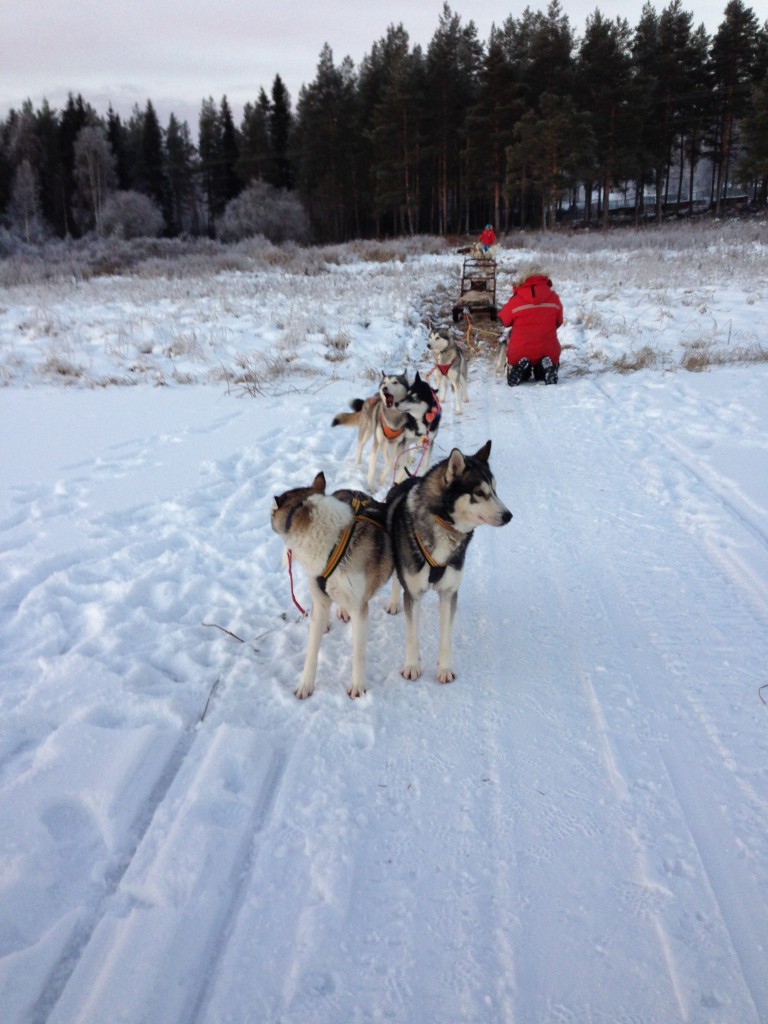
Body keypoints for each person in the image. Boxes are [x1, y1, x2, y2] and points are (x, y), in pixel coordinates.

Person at [497, 267, 563, 386]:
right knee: (541, 371)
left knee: (521, 364)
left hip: (519, 350)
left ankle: (522, 368)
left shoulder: (516, 300)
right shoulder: (554, 298)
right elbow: (559, 322)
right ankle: (545, 367)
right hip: (548, 348)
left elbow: (504, 321)